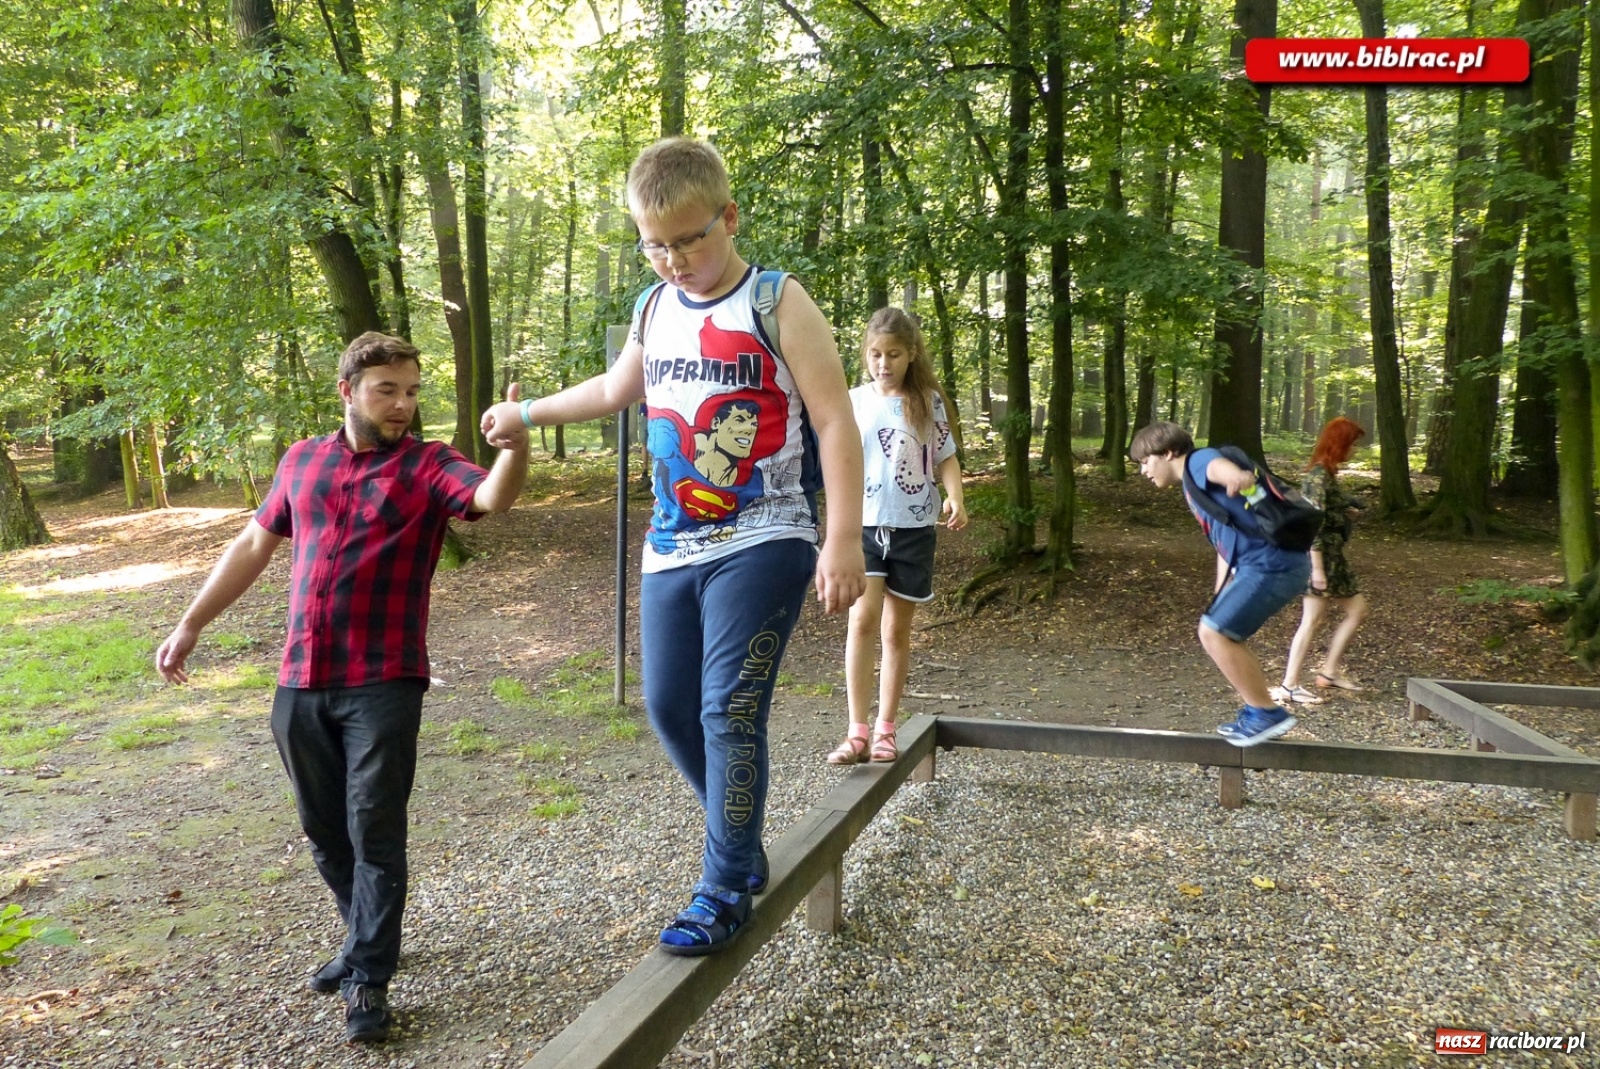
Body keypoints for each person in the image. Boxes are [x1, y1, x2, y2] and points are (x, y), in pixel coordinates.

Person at [482, 136, 865, 957]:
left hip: (768, 532)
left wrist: (843, 539)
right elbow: (621, 388)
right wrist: (528, 414)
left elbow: (835, 419)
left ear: (728, 218)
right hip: (672, 541)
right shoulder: (654, 308)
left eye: (690, 238)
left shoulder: (776, 300)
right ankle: (740, 840)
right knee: (667, 707)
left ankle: (724, 885)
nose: (674, 259)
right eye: (655, 244)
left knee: (728, 707)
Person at [155, 333, 529, 1044]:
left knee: (374, 829)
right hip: (300, 679)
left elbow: (489, 497)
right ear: (348, 391)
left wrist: (514, 447)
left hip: (383, 679)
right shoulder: (302, 460)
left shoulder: (426, 465)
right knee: (325, 830)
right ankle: (365, 934)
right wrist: (191, 622)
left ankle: (367, 976)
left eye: (413, 391)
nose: (403, 405)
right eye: (388, 390)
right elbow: (251, 545)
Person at [827, 308, 966, 766]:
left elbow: (945, 455)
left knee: (896, 630)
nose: (883, 363)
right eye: (875, 354)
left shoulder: (927, 400)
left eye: (893, 354)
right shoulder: (852, 400)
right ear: (865, 355)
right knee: (862, 621)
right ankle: (857, 732)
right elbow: (836, 457)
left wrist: (956, 498)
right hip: (864, 526)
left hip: (913, 529)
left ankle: (887, 729)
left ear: (910, 355)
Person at [1130, 421, 1310, 747]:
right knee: (1219, 629)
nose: (1143, 471)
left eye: (1145, 461)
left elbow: (1217, 465)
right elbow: (1225, 543)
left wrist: (1235, 477)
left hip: (1272, 565)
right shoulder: (1191, 484)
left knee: (1214, 633)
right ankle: (1257, 710)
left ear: (1169, 453)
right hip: (1265, 566)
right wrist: (1221, 592)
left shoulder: (1197, 463)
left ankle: (1266, 713)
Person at [1272, 416, 1369, 704]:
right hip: (1320, 559)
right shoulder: (1316, 477)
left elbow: (1326, 513)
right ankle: (1289, 685)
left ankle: (1328, 672)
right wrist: (1316, 570)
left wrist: (1346, 514)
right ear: (1339, 444)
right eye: (1352, 444)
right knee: (1312, 620)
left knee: (1359, 610)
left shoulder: (1327, 475)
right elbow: (1310, 524)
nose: (1354, 450)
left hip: (1334, 557)